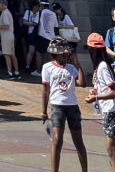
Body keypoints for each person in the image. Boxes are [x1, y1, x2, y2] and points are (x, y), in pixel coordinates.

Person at [85, 32, 115, 172]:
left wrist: (96, 97)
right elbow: (108, 87)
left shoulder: (102, 67)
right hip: (110, 111)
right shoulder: (103, 66)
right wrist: (96, 92)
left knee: (112, 149)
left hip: (111, 112)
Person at [41, 36, 88, 172]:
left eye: (67, 53)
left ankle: (85, 169)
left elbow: (82, 84)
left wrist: (77, 65)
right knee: (57, 140)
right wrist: (43, 111)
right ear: (56, 54)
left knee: (78, 141)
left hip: (72, 106)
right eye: (64, 53)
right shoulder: (47, 68)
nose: (67, 55)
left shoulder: (72, 68)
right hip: (57, 106)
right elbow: (45, 89)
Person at [0, 0, 19, 78]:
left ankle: (10, 73)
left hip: (6, 36)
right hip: (10, 36)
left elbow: (6, 26)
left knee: (7, 54)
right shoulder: (7, 12)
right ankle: (16, 72)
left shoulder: (5, 13)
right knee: (12, 54)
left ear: (3, 4)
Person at [34, 0, 59, 76]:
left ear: (41, 5)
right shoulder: (53, 14)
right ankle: (50, 72)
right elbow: (56, 26)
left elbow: (35, 23)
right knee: (49, 55)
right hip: (51, 37)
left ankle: (39, 71)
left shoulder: (40, 12)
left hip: (42, 36)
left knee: (39, 54)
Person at [22, 0, 40, 75]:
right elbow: (24, 21)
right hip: (31, 33)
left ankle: (37, 66)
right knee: (31, 50)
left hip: (39, 33)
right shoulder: (28, 12)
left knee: (38, 51)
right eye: (36, 7)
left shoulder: (39, 13)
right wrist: (32, 24)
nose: (37, 9)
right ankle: (28, 65)